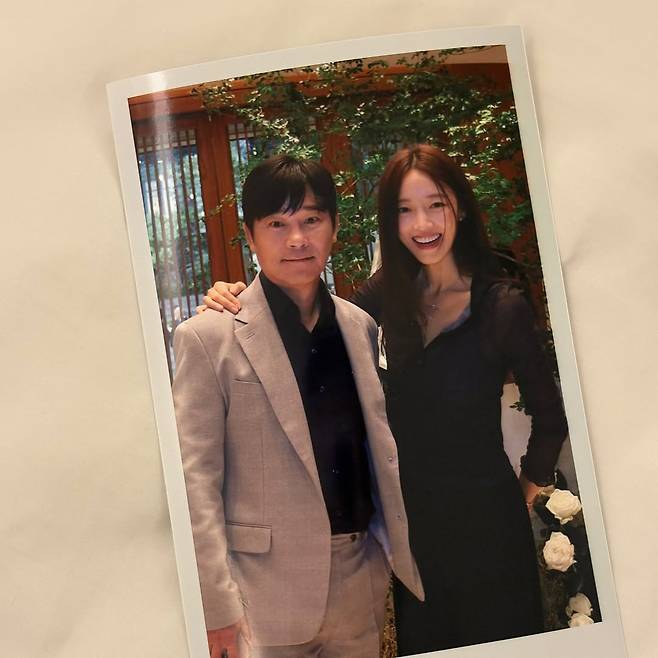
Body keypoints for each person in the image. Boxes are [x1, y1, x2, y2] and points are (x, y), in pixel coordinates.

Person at [202, 144, 569, 655]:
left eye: (436, 205)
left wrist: (524, 491)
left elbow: (550, 416)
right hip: (411, 533)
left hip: (489, 523)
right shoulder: (381, 298)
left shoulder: (501, 304)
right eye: (404, 209)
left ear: (460, 208)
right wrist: (233, 297)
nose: (423, 223)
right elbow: (307, 325)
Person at [172, 154, 423, 658]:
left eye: (311, 220)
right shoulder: (208, 337)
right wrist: (215, 608)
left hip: (359, 578)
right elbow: (194, 483)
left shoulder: (359, 326)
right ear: (250, 235)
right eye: (277, 224)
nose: (296, 239)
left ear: (333, 227)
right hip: (261, 595)